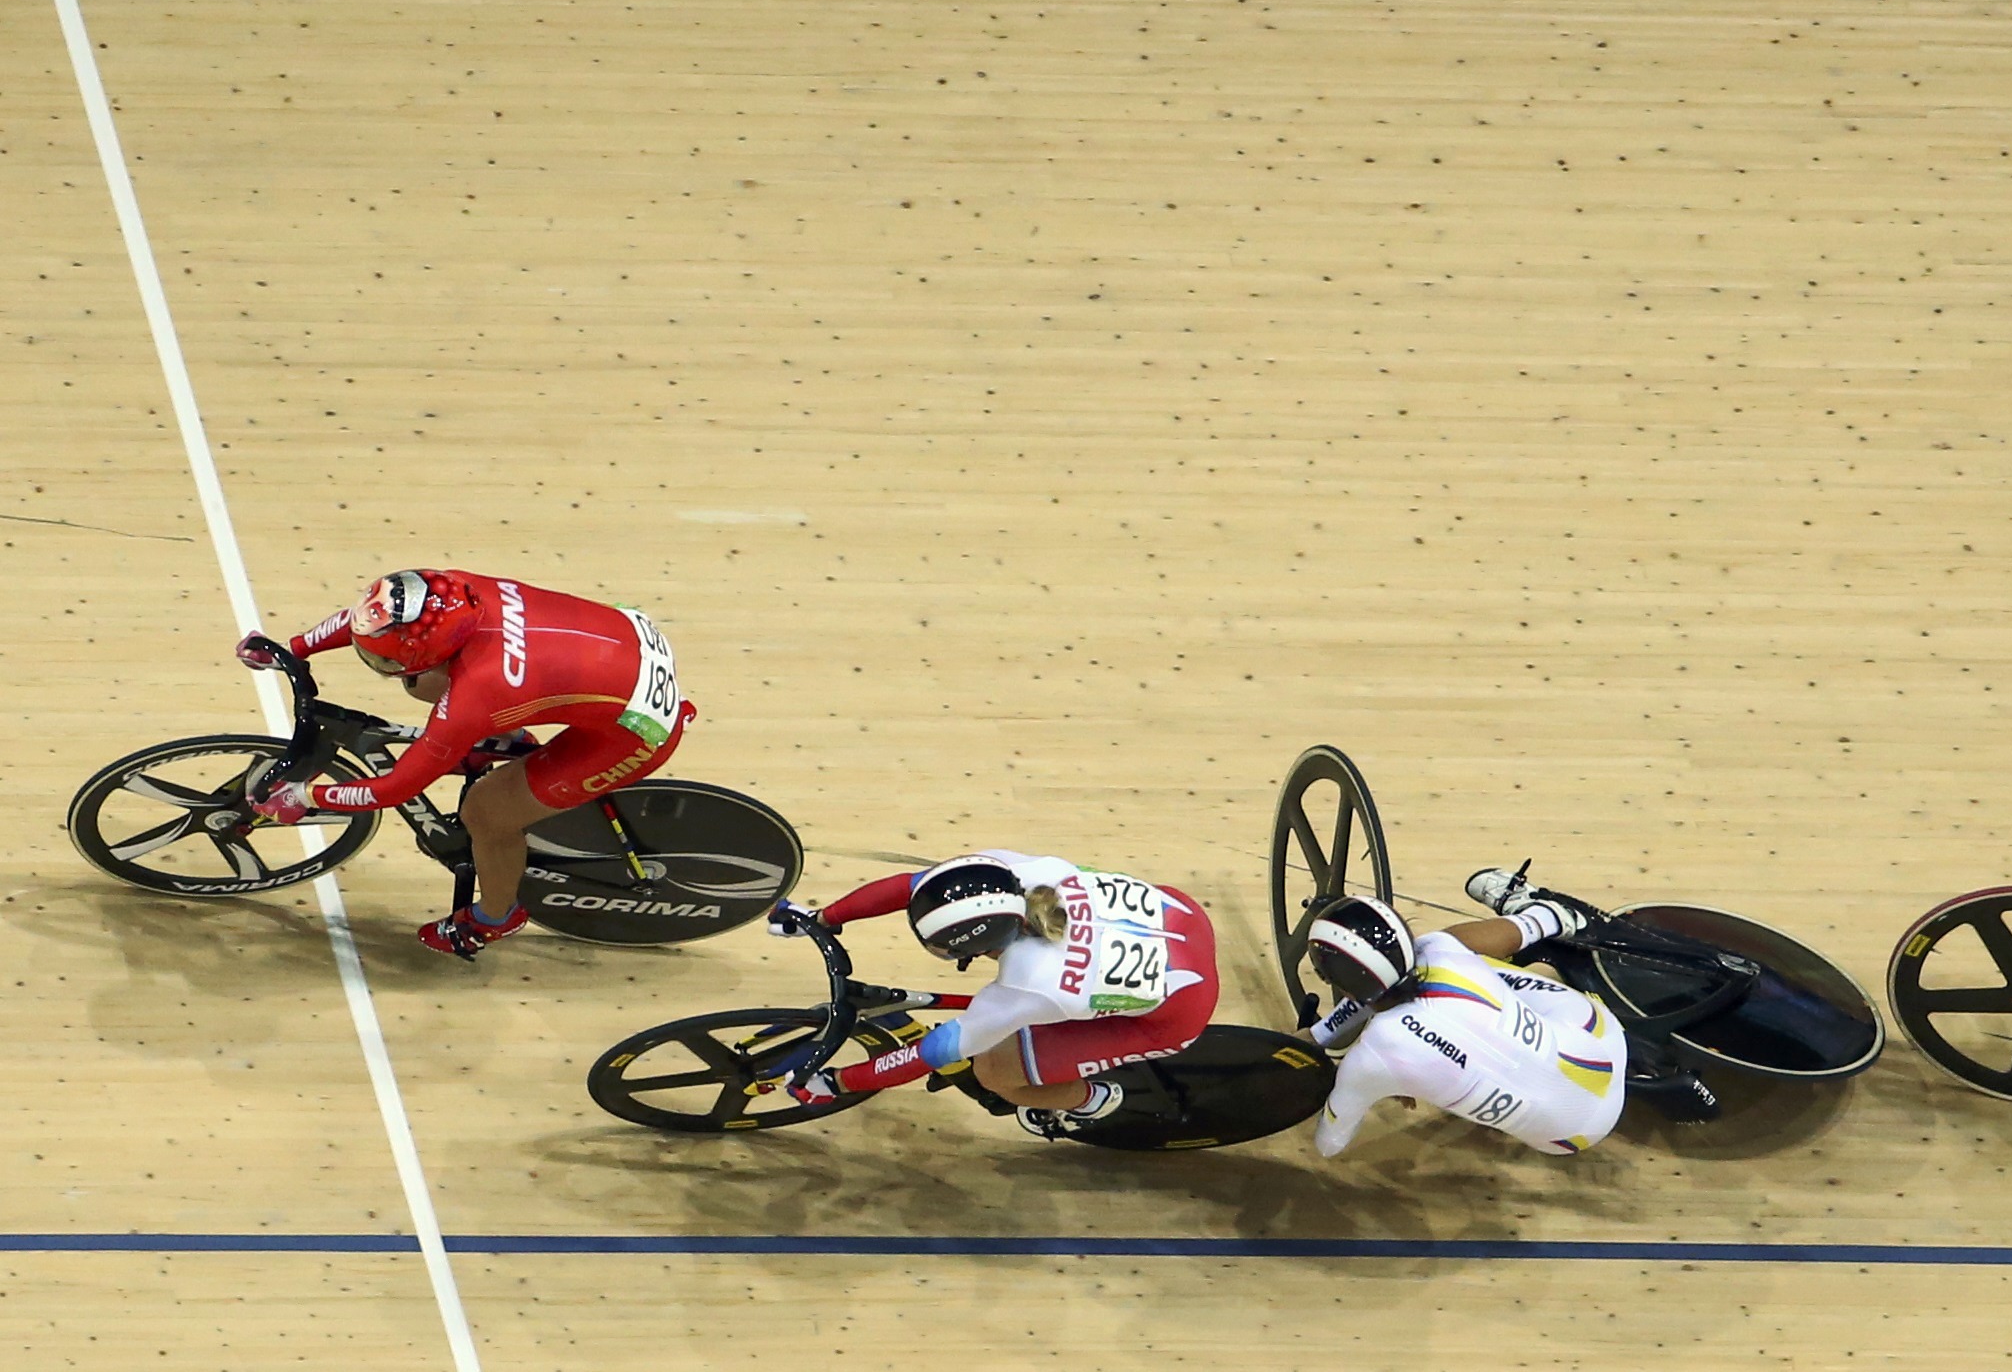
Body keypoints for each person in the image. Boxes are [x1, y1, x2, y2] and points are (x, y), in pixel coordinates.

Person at [236, 569, 693, 958]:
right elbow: (369, 623)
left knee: (486, 813)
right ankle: (508, 737)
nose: (373, 660)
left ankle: (496, 916)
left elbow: (394, 789)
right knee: (423, 685)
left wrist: (306, 795)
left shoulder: (479, 691)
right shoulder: (446, 592)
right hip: (617, 647)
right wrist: (296, 647)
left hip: (633, 735)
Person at [769, 850, 1219, 1138]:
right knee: (1029, 1018)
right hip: (1182, 919)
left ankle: (1093, 1100)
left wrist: (839, 1082)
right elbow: (915, 885)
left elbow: (935, 1051)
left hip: (1174, 1016)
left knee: (995, 1071)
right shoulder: (1015, 874)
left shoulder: (1031, 982)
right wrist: (824, 916)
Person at [1300, 883, 1670, 1158]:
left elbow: (1329, 1145)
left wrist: (1332, 1065)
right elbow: (1395, 978)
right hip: (1603, 1046)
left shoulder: (1366, 1062)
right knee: (1451, 952)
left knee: (1428, 1058)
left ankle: (1546, 920)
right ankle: (1548, 916)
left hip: (1568, 1138)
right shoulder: (1440, 952)